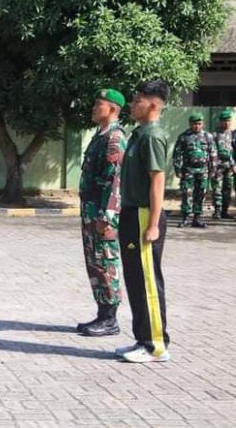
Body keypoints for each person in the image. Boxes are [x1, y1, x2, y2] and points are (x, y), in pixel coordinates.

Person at [115, 80, 171, 363]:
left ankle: (155, 345)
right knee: (135, 279)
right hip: (131, 213)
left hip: (143, 215)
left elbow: (157, 180)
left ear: (152, 105)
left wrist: (153, 223)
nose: (132, 104)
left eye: (137, 100)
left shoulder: (152, 136)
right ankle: (142, 339)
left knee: (147, 280)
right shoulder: (140, 134)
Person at [76, 88, 126, 337]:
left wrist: (107, 216)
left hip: (102, 213)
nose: (94, 108)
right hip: (91, 209)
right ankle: (102, 314)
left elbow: (115, 180)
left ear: (113, 109)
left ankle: (110, 319)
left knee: (106, 262)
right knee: (95, 262)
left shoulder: (114, 138)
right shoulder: (100, 135)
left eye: (99, 104)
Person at [172, 112, 216, 228]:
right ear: (190, 124)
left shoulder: (208, 136)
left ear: (203, 124)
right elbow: (177, 154)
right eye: (194, 124)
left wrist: (213, 168)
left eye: (199, 123)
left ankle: (197, 218)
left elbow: (213, 153)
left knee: (201, 193)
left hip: (203, 171)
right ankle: (186, 218)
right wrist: (177, 168)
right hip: (188, 170)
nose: (197, 126)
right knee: (187, 193)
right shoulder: (184, 136)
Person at [210, 110, 235, 219]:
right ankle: (217, 211)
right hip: (218, 167)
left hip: (229, 167)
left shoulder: (233, 134)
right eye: (225, 121)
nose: (227, 123)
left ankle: (225, 211)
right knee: (217, 189)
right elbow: (211, 151)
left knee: (228, 189)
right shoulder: (214, 135)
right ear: (220, 122)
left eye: (229, 121)